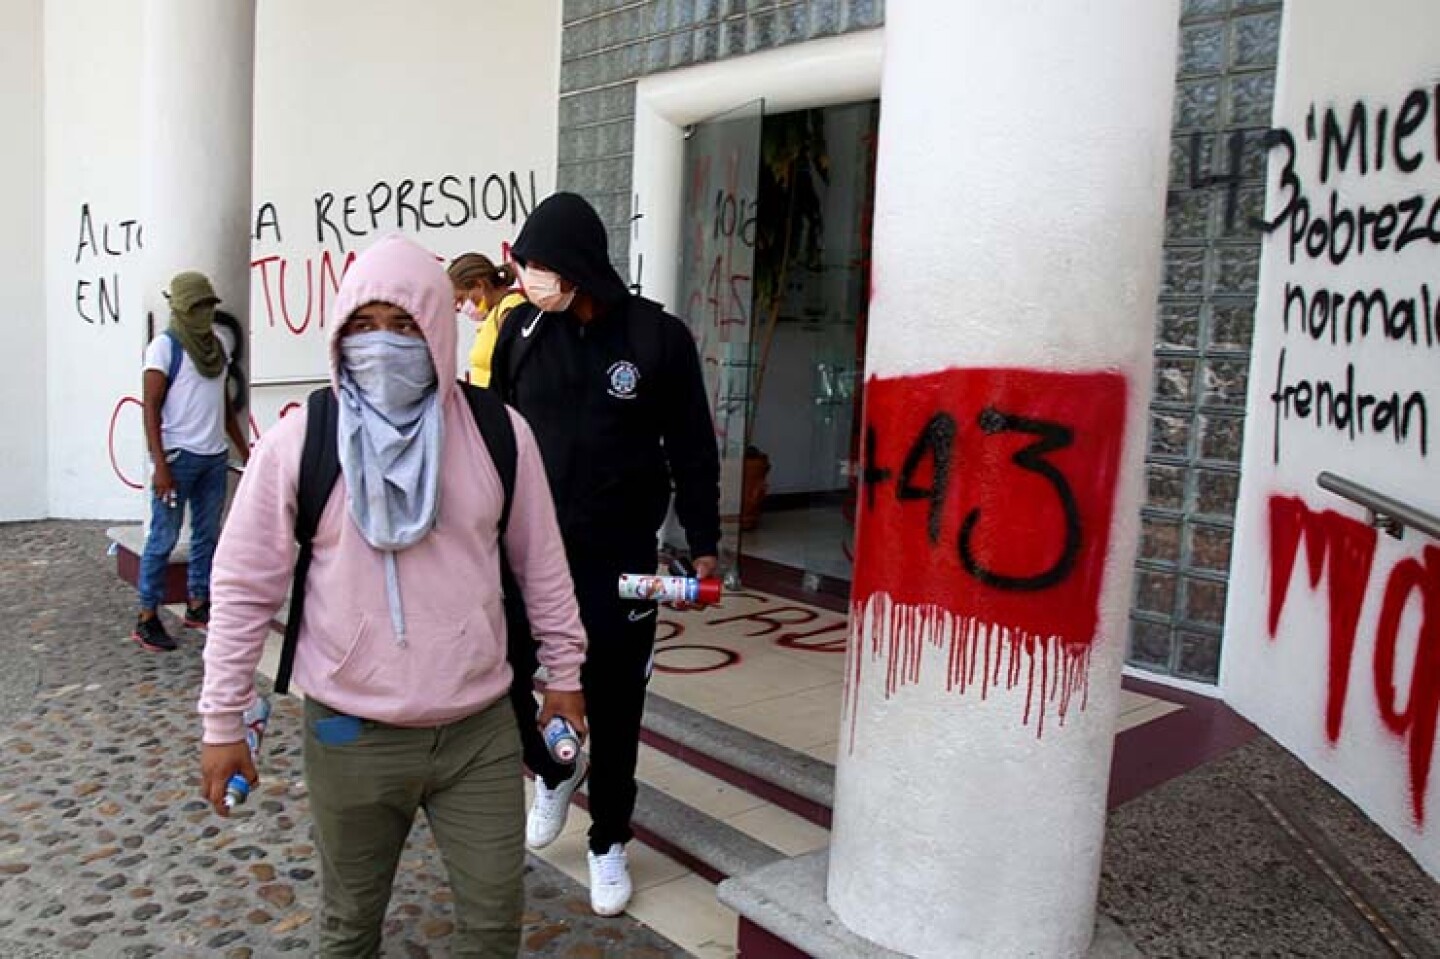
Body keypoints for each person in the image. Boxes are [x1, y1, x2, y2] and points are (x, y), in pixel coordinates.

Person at [197, 235, 588, 958]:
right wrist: (223, 720)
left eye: (405, 325)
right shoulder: (301, 439)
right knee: (349, 927)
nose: (384, 343)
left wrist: (564, 676)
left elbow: (543, 566)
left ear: (440, 327)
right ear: (340, 331)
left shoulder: (500, 434)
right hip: (350, 730)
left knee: (494, 924)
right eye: (365, 324)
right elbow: (243, 585)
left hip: (480, 731)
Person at [491, 192, 721, 917]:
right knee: (504, 680)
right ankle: (554, 766)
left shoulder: (657, 338)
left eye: (537, 264)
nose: (527, 276)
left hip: (621, 556)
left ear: (578, 267)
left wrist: (704, 540)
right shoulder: (520, 332)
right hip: (530, 553)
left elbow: (693, 446)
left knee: (618, 700)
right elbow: (493, 438)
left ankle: (608, 839)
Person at [132, 271, 250, 653]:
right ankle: (147, 615)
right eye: (196, 305)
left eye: (208, 305)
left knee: (207, 534)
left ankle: (198, 603)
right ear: (181, 307)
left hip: (213, 457)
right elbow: (150, 405)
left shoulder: (216, 347)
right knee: (163, 538)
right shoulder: (164, 348)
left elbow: (224, 404)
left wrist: (245, 449)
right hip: (178, 457)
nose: (204, 312)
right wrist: (160, 464)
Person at [449, 252, 526, 388]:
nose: (460, 307)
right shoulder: (494, 313)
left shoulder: (509, 310)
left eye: (461, 299)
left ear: (480, 285)